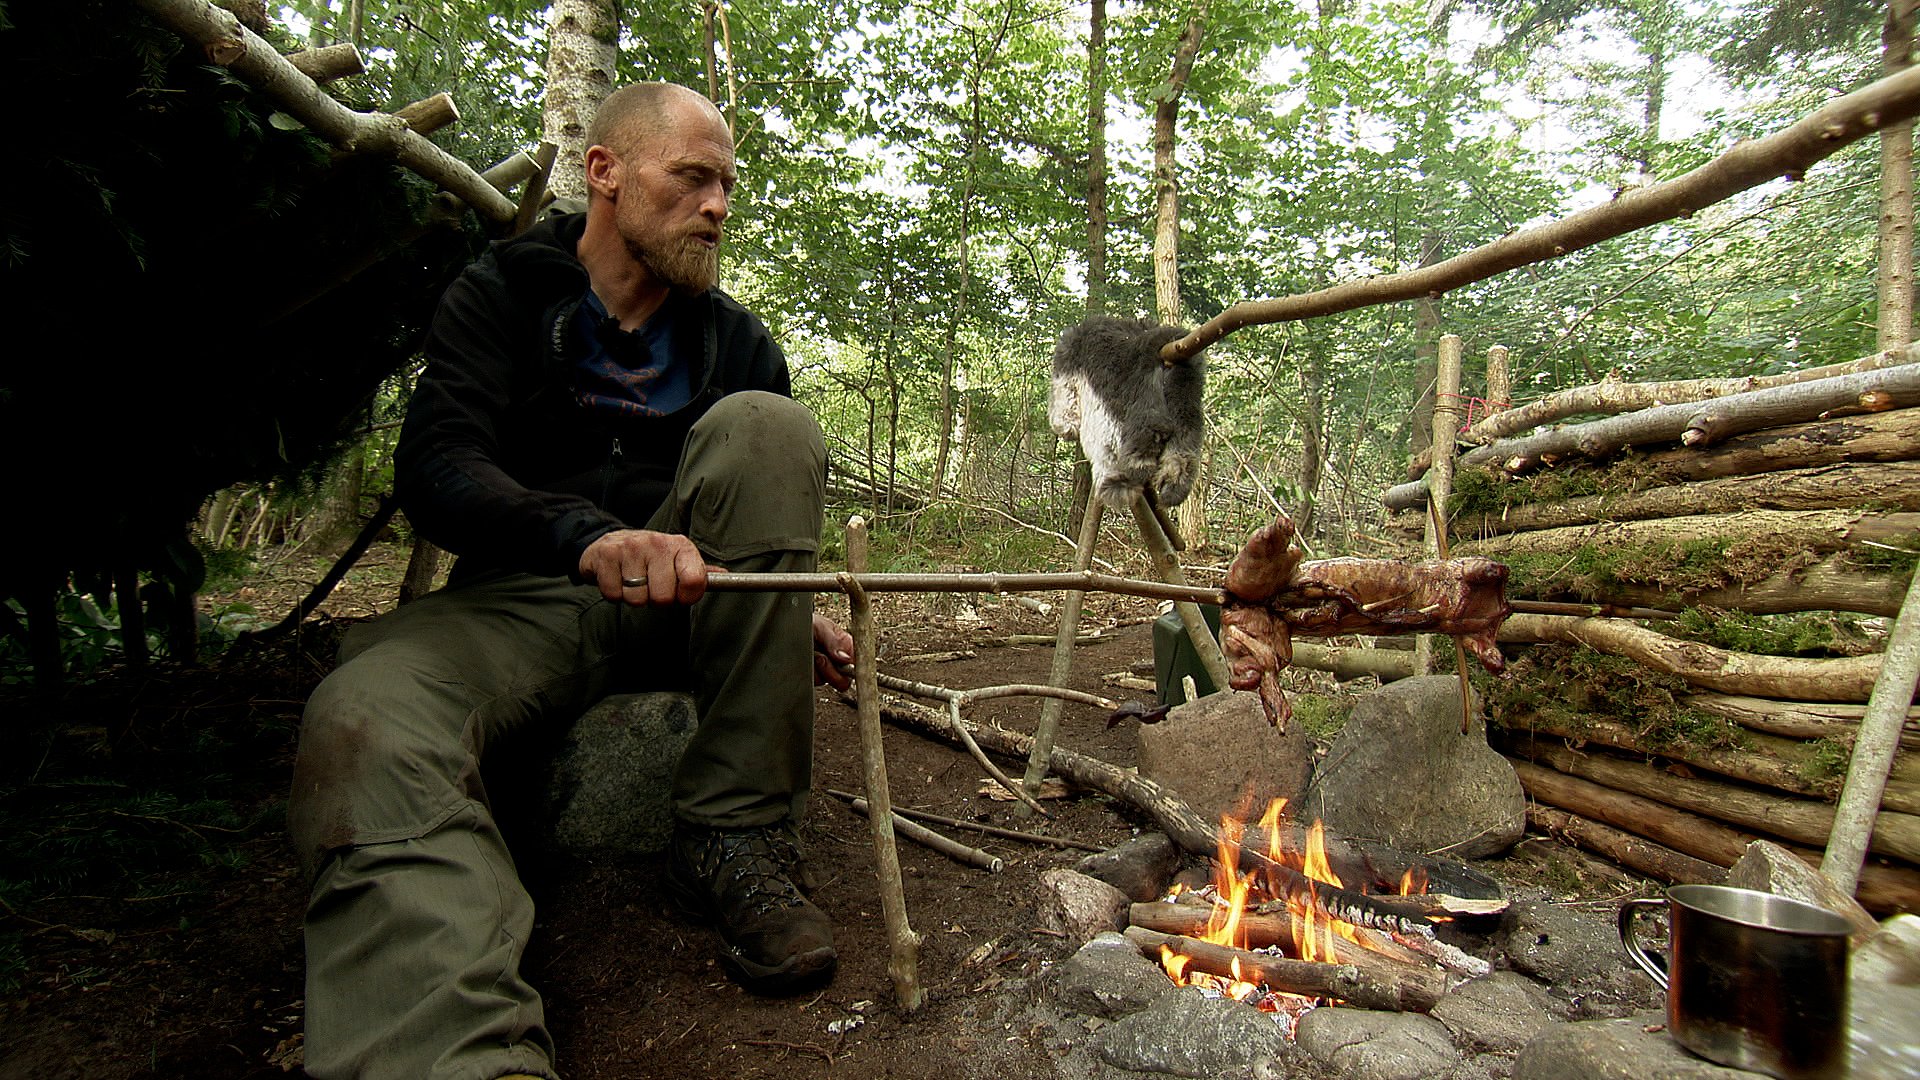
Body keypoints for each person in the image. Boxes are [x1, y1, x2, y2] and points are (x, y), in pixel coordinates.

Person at [287, 82, 852, 1080]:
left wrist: (777, 607)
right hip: (521, 600)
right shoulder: (500, 292)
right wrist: (584, 536)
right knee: (364, 715)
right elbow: (440, 465)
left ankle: (733, 838)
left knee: (770, 426)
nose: (718, 204)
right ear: (604, 173)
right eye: (692, 178)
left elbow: (754, 510)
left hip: (692, 607)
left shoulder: (739, 346)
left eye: (726, 184)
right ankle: (455, 1052)